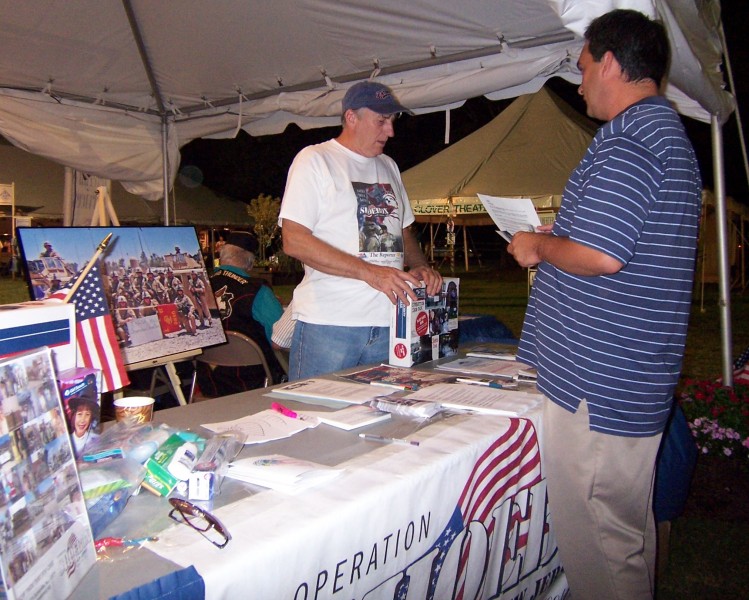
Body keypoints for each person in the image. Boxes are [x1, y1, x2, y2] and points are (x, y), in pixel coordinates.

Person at [507, 10, 702, 599]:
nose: (580, 78)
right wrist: (560, 235)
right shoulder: (662, 136)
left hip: (599, 386)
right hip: (627, 380)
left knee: (600, 546)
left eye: (584, 64)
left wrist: (538, 244)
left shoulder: (630, 138)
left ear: (612, 63)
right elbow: (615, 245)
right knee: (624, 535)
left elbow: (602, 253)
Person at [279, 80, 441, 379]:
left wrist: (419, 265)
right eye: (381, 121)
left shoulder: (389, 165)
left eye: (392, 121)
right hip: (330, 323)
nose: (390, 131)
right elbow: (294, 241)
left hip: (391, 322)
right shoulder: (315, 160)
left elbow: (404, 230)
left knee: (378, 417)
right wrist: (370, 272)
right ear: (351, 117)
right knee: (314, 415)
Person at [197, 231, 285, 396]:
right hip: (253, 383)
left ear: (221, 257)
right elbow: (282, 337)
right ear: (250, 263)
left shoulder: (200, 286)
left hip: (208, 381)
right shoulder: (258, 291)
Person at [67, 394, 100, 458]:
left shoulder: (95, 439)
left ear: (91, 418)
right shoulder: (67, 442)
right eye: (79, 414)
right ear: (73, 416)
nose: (82, 420)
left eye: (87, 414)